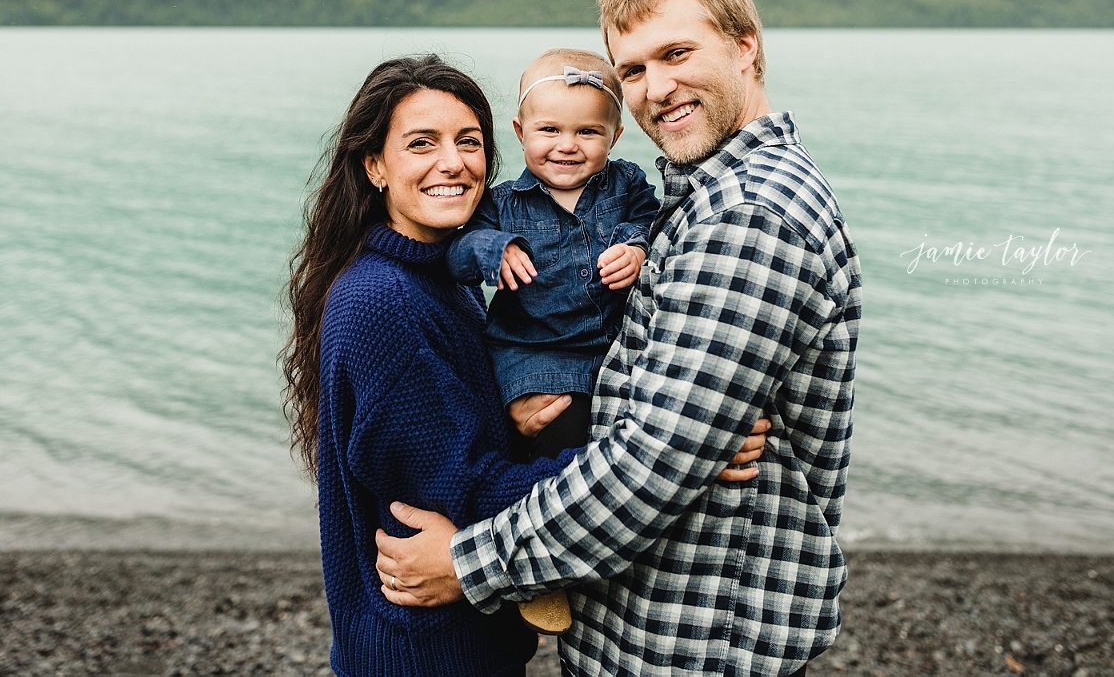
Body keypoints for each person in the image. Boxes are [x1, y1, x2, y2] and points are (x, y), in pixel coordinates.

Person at [376, 0, 863, 677]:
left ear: (745, 46)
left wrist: (468, 564)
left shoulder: (750, 218)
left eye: (676, 53)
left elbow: (653, 467)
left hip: (694, 633)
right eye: (632, 70)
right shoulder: (698, 196)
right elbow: (666, 423)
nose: (656, 88)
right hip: (656, 614)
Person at [282, 53, 770, 677]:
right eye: (421, 143)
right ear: (374, 165)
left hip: (459, 642)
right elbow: (462, 489)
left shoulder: (439, 279)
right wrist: (677, 452)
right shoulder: (384, 302)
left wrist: (521, 421)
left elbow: (447, 436)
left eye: (468, 141)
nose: (453, 162)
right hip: (422, 653)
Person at [445, 48, 660, 632]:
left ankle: (601, 556)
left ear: (614, 135)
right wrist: (496, 250)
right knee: (552, 449)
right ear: (519, 133)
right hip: (532, 354)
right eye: (549, 130)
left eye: (587, 131)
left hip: (608, 349)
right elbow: (458, 253)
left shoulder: (627, 184)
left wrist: (637, 249)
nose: (567, 145)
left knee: (616, 448)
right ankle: (540, 575)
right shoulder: (503, 204)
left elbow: (653, 221)